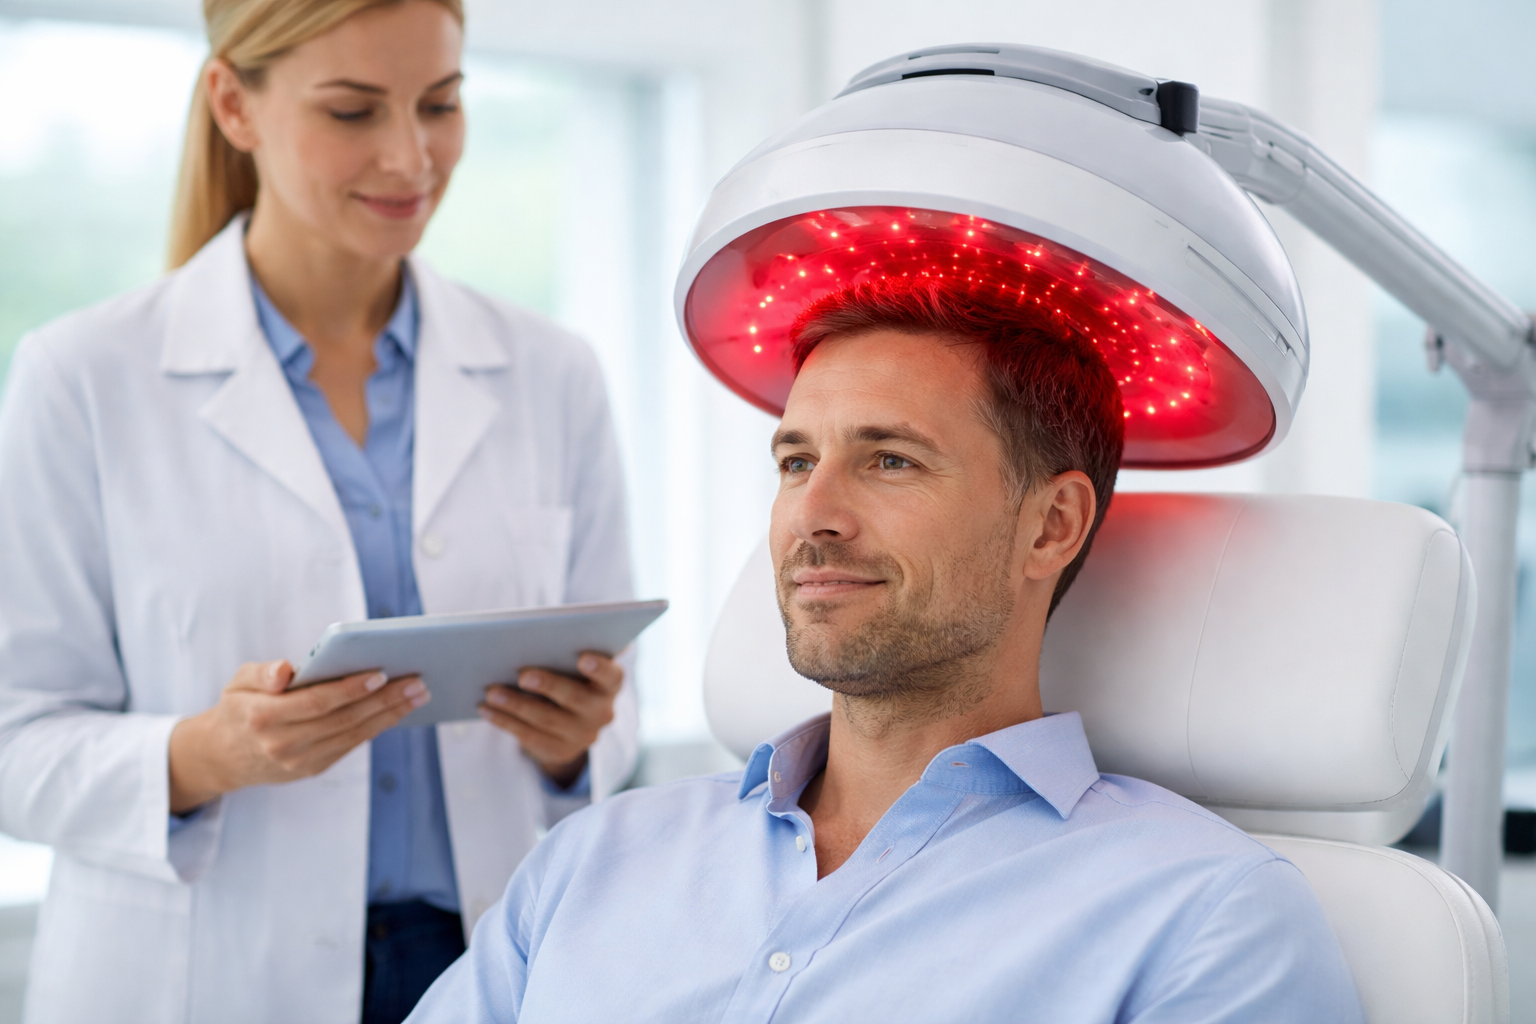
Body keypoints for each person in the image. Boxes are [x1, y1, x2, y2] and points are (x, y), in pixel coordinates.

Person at [407, 278, 1364, 1023]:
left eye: (890, 460)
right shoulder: (589, 862)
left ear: (1051, 526)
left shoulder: (1205, 917)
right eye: (796, 462)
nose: (812, 515)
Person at [0, 1, 639, 1021]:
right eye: (352, 111)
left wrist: (572, 741)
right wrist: (209, 753)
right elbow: (16, 742)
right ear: (233, 104)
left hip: (481, 962)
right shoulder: (82, 375)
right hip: (206, 973)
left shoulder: (550, 372)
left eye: (441, 104)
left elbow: (616, 703)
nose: (411, 157)